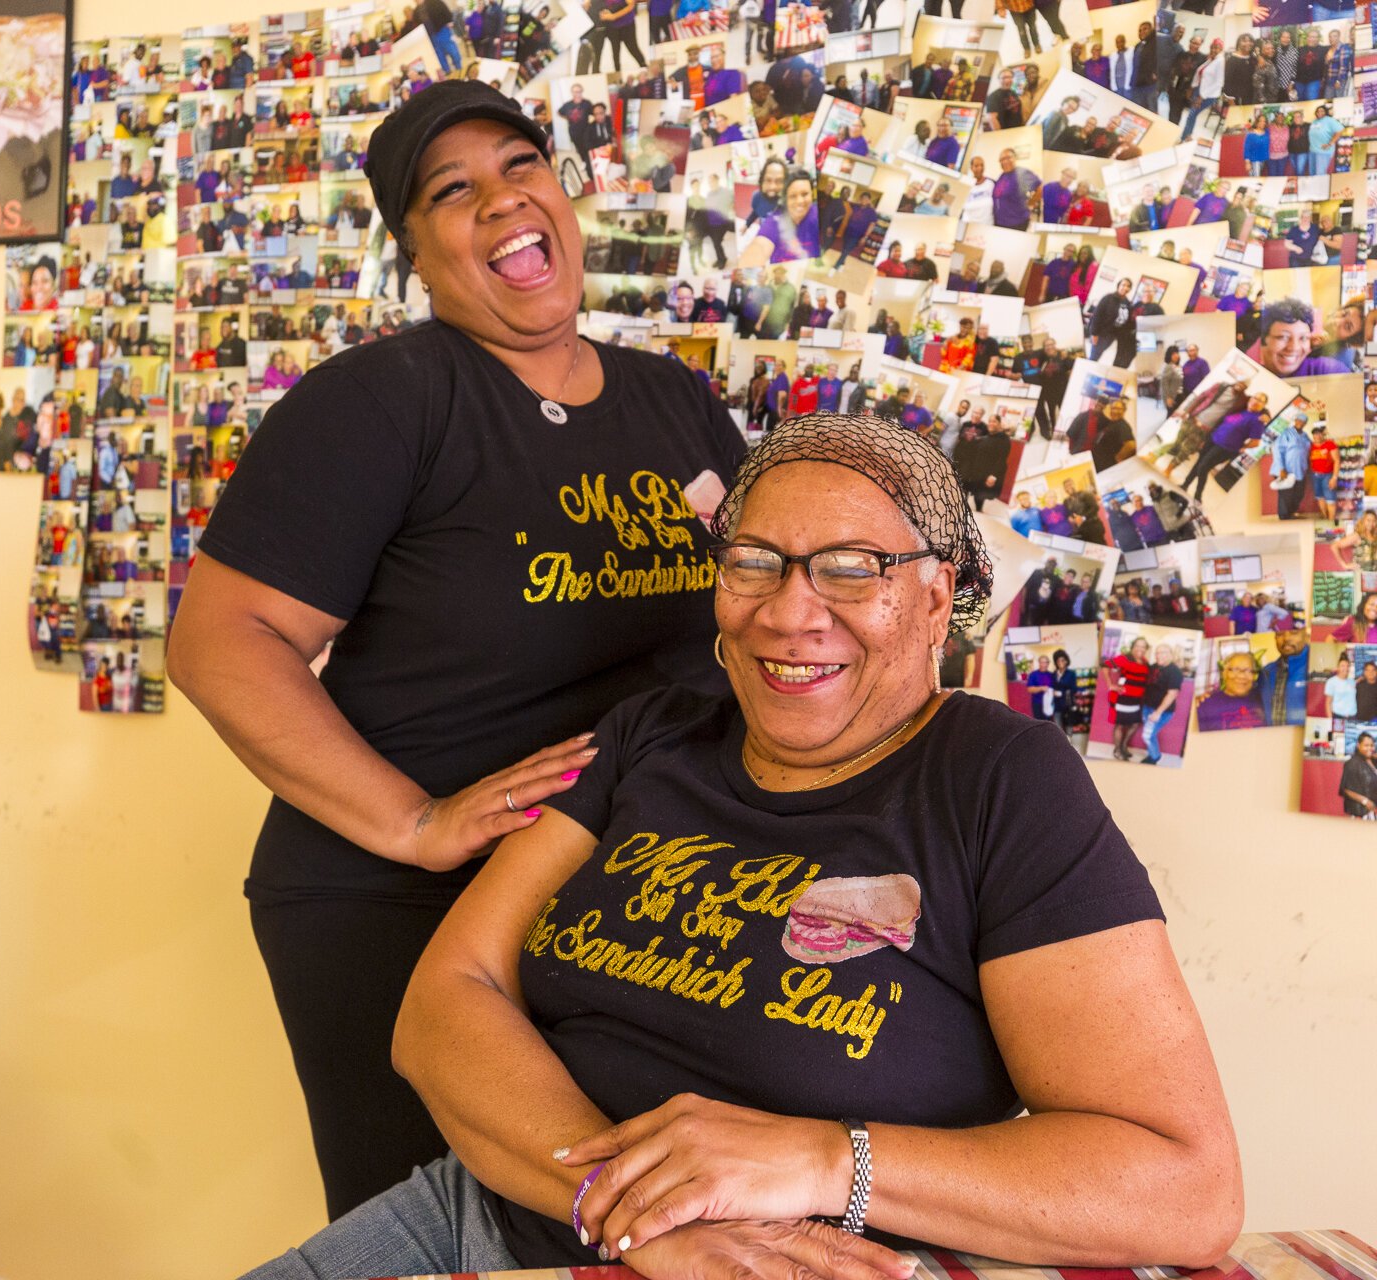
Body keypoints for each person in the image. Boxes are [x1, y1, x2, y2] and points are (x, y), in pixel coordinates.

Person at [240, 413, 1242, 1280]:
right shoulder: (649, 736)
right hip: (488, 1209)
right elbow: (444, 1001)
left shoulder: (998, 780)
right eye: (753, 561)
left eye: (852, 568)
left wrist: (821, 1160)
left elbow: (1183, 1185)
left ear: (937, 598)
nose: (787, 609)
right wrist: (627, 1206)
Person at [167, 82, 750, 1220]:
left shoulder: (676, 401)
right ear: (414, 252)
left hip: (616, 892)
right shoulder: (382, 402)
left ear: (563, 195)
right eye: (451, 190)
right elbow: (219, 640)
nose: (501, 200)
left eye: (520, 164)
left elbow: (741, 619)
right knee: (444, 1226)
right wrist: (414, 823)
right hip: (394, 907)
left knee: (623, 1221)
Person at [1196, 650, 1265, 731]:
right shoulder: (1205, 705)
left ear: (1254, 676)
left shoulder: (1263, 699)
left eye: (1248, 671)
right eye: (1235, 669)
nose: (1242, 676)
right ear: (1224, 674)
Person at [1140, 643, 1183, 765]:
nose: (1158, 656)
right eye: (1157, 653)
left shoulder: (1175, 672)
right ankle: (1152, 754)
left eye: (1162, 652)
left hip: (1161, 711)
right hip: (1147, 707)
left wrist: (1158, 713)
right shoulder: (1154, 667)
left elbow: (1172, 694)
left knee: (1147, 735)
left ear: (1170, 654)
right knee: (1150, 734)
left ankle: (1155, 757)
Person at [1258, 628, 1309, 726]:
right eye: (1280, 633)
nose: (1286, 638)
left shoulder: (1316, 668)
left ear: (1306, 636)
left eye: (1294, 632)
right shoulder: (1265, 673)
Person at [1268, 412, 1311, 520]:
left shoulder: (1305, 436)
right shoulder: (1286, 433)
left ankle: (1291, 513)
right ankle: (1284, 517)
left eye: (1303, 421)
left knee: (1299, 494)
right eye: (1298, 420)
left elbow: (1310, 449)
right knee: (1286, 495)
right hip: (1286, 470)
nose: (1300, 422)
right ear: (1295, 420)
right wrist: (1281, 468)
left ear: (1305, 423)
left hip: (1300, 470)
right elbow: (1277, 450)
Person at [1341, 733, 1377, 818]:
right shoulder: (1352, 763)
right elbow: (1346, 789)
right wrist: (1365, 801)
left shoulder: (1371, 761)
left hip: (1372, 811)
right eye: (1366, 745)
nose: (1370, 748)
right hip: (1360, 812)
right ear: (1358, 745)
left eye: (1372, 745)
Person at [1325, 653, 1359, 718]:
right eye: (1342, 666)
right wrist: (1330, 720)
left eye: (1347, 666)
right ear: (1338, 668)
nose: (1346, 668)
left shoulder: (1352, 681)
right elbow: (1328, 703)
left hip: (1353, 717)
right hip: (1338, 716)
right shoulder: (1331, 682)